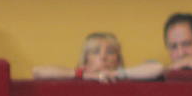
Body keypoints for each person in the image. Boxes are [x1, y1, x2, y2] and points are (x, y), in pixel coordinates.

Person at [30, 32, 163, 82]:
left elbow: (158, 68)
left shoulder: (125, 76)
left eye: (110, 52)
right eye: (95, 52)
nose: (103, 57)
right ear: (86, 58)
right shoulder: (77, 77)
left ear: (117, 58)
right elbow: (38, 72)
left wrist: (116, 73)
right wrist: (84, 75)